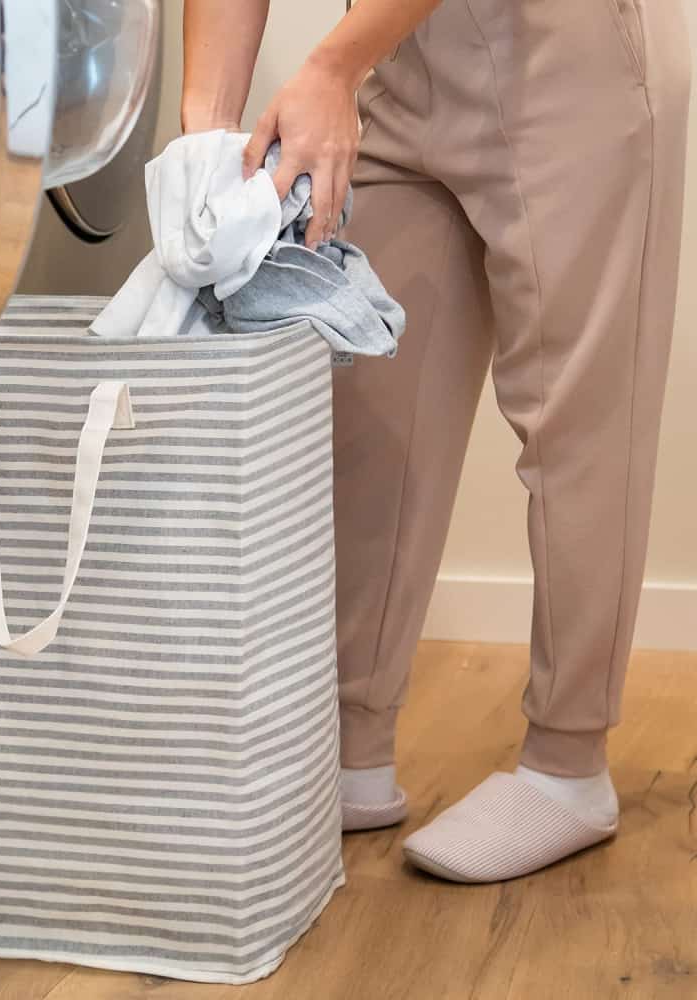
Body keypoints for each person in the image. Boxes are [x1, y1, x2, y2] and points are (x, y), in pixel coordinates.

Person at [182, 0, 691, 883]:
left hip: (562, 52)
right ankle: (348, 745)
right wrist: (200, 139)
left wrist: (335, 67)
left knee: (575, 419)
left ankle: (568, 765)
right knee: (369, 396)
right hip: (403, 52)